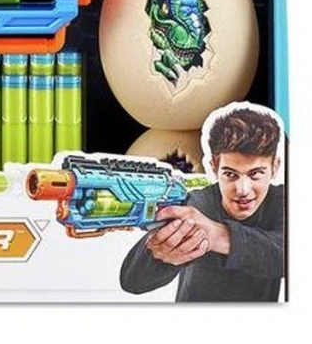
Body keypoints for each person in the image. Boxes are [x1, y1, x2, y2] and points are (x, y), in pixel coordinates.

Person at [119, 104, 285, 301]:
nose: (242, 190)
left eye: (255, 174)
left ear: (275, 167)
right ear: (214, 166)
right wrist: (158, 255)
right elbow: (131, 281)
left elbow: (290, 256)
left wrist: (217, 235)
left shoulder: (283, 202)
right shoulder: (196, 203)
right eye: (230, 174)